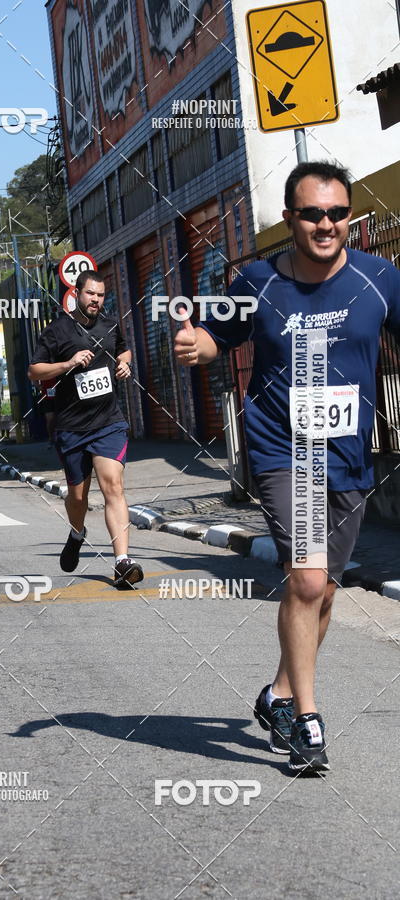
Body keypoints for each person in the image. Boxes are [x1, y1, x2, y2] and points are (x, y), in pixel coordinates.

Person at [174, 161, 400, 772]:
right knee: (305, 580)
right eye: (312, 214)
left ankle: (275, 695)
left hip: (350, 457)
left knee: (322, 587)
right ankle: (307, 720)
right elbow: (219, 338)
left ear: (349, 216)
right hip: (282, 451)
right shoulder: (257, 282)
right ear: (289, 218)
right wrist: (201, 346)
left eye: (336, 213)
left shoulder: (382, 278)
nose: (326, 224)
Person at [28, 270, 143, 588]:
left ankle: (122, 562)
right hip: (72, 428)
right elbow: (34, 371)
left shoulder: (109, 325)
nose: (96, 300)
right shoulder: (57, 331)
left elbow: (124, 349)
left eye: (101, 295)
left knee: (114, 487)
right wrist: (67, 364)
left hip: (108, 422)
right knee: (77, 497)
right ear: (76, 294)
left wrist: (125, 363)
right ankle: (77, 532)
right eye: (91, 293)